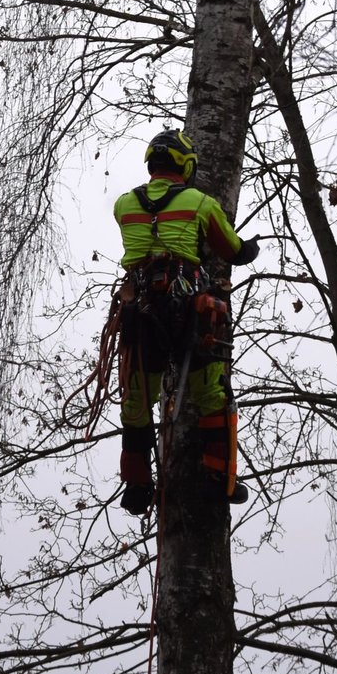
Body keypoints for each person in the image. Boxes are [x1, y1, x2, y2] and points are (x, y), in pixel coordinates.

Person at [113, 128, 259, 515]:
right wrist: (251, 248)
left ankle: (138, 487)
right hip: (190, 312)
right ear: (186, 164)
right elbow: (233, 249)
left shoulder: (124, 204)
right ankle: (220, 479)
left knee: (137, 402)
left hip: (141, 313)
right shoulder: (201, 203)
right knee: (212, 392)